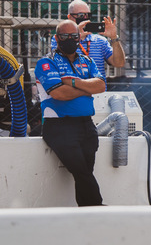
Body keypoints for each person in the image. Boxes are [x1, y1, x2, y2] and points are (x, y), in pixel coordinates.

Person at [36, 20, 106, 206]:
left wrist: (74, 82)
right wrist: (87, 88)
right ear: (57, 38)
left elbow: (101, 85)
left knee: (84, 173)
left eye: (74, 36)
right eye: (65, 36)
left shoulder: (87, 60)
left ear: (79, 37)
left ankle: (85, 213)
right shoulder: (46, 62)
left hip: (86, 125)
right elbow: (59, 93)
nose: (70, 39)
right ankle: (98, 208)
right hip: (59, 127)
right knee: (82, 172)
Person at [51, 0, 125, 81]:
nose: (85, 18)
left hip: (96, 89)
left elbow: (119, 63)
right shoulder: (60, 39)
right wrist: (75, 37)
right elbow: (57, 62)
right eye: (81, 15)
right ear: (70, 17)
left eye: (88, 15)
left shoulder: (100, 41)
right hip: (71, 89)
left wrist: (114, 38)